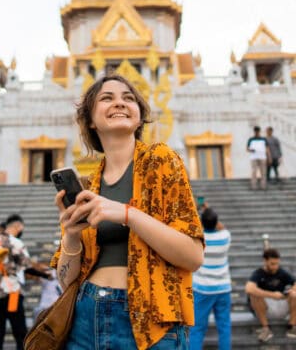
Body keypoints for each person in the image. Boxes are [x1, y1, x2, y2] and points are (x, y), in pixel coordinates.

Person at [51, 74, 204, 350]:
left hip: (150, 320)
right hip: (86, 317)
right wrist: (72, 236)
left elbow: (192, 256)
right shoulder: (90, 186)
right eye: (107, 98)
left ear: (139, 116)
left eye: (129, 98)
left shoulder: (161, 161)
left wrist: (126, 213)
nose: (120, 103)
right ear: (90, 120)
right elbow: (66, 282)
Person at [0, 213, 30, 350]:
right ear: (18, 226)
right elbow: (26, 264)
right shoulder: (16, 242)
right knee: (19, 330)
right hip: (12, 292)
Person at [189, 208, 232, 350]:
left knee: (197, 328)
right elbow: (221, 227)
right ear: (216, 222)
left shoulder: (198, 238)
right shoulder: (225, 236)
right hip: (223, 288)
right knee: (224, 327)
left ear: (202, 222)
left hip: (202, 289)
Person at [245, 247, 296, 342]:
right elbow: (249, 288)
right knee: (254, 295)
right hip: (264, 308)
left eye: (277, 263)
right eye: (272, 264)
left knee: (294, 294)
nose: (275, 266)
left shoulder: (282, 272)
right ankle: (266, 329)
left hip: (281, 305)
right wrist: (272, 295)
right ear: (265, 261)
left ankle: (292, 327)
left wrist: (292, 290)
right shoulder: (258, 273)